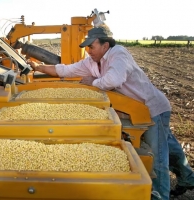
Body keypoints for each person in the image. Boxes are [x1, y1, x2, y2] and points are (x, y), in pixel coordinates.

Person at [27, 25, 194, 200]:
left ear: (105, 46)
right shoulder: (91, 61)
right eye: (87, 47)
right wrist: (38, 67)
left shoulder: (118, 54)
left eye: (92, 46)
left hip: (152, 108)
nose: (88, 51)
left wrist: (93, 82)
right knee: (169, 145)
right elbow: (65, 70)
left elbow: (113, 79)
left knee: (158, 155)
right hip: (137, 111)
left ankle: (160, 195)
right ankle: (188, 179)